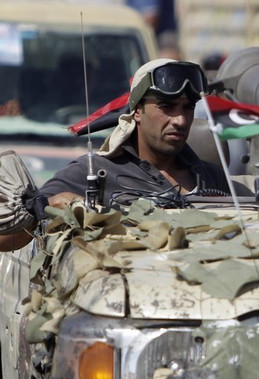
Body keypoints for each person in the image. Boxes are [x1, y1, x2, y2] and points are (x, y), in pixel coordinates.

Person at [0, 58, 230, 252]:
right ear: (137, 111)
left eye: (188, 107)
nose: (179, 120)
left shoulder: (212, 177)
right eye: (166, 106)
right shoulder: (92, 171)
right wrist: (48, 206)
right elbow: (7, 239)